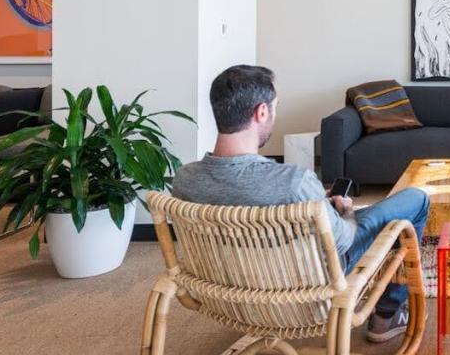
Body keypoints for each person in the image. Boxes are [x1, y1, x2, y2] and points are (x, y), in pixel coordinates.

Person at [172, 65, 428, 343]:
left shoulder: (185, 180)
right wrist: (345, 211)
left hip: (224, 294)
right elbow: (344, 241)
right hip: (302, 288)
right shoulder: (295, 182)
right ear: (261, 112)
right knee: (416, 199)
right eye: (274, 107)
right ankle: (387, 315)